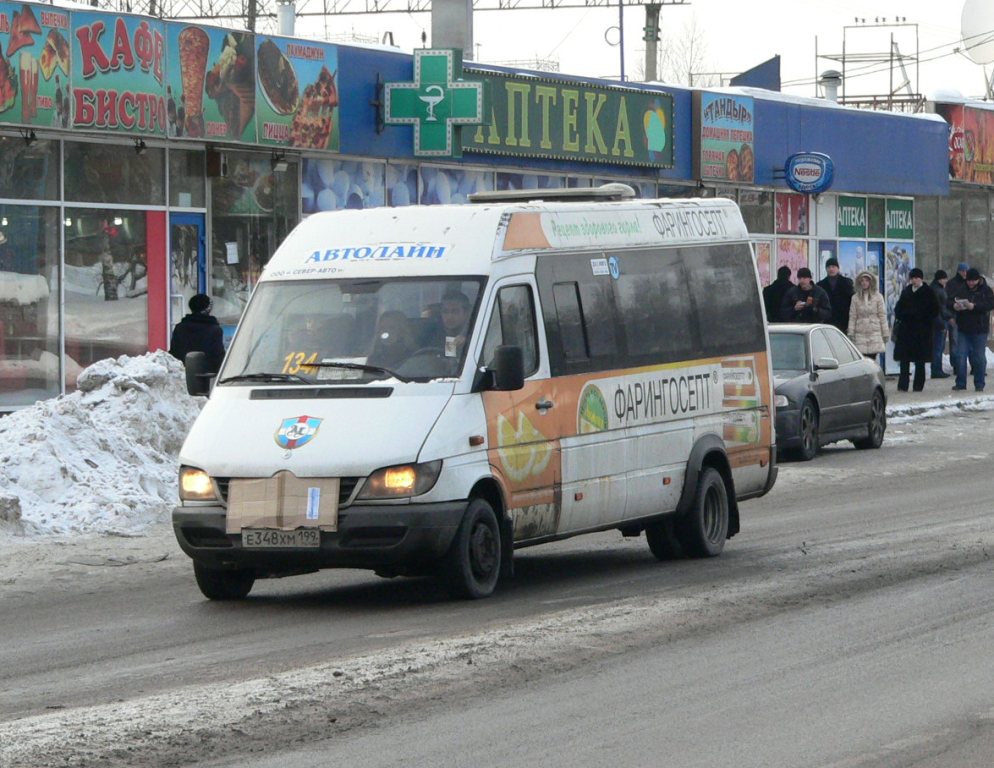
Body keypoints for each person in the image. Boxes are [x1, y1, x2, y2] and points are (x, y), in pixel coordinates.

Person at [947, 267, 994, 392]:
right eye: (969, 281)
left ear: (978, 280)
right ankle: (961, 383)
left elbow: (990, 304)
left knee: (978, 357)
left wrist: (975, 306)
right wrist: (954, 306)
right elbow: (949, 300)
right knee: (960, 356)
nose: (971, 283)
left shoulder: (986, 290)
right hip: (963, 328)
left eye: (973, 281)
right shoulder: (962, 289)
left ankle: (979, 384)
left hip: (980, 329)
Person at [893, 268, 939, 392]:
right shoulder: (907, 291)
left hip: (922, 331)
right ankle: (903, 385)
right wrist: (904, 314)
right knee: (904, 359)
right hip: (906, 330)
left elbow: (935, 310)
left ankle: (918, 385)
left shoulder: (928, 292)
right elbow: (898, 308)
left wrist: (923, 317)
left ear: (921, 279)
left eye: (916, 278)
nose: (914, 281)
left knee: (920, 360)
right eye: (912, 278)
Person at [169, 293, 225, 374]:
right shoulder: (215, 330)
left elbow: (174, 354)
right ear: (208, 309)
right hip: (207, 377)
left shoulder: (180, 328)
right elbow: (218, 357)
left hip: (182, 375)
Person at [847, 270, 888, 359]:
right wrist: (851, 332)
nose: (864, 283)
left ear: (871, 282)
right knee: (861, 359)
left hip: (874, 332)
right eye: (862, 280)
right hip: (860, 332)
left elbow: (882, 315)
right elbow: (853, 316)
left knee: (872, 360)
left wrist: (885, 333)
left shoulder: (878, 297)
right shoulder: (855, 298)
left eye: (867, 280)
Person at [816, 257, 854, 332]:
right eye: (829, 267)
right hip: (827, 321)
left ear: (838, 268)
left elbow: (852, 300)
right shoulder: (820, 285)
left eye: (833, 267)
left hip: (843, 319)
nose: (831, 269)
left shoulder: (847, 282)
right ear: (826, 269)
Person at [929, 270, 953, 378]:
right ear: (940, 279)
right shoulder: (937, 290)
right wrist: (943, 322)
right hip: (939, 321)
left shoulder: (936, 288)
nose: (946, 281)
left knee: (938, 347)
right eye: (944, 278)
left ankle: (937, 369)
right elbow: (939, 309)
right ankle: (936, 370)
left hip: (940, 320)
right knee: (938, 347)